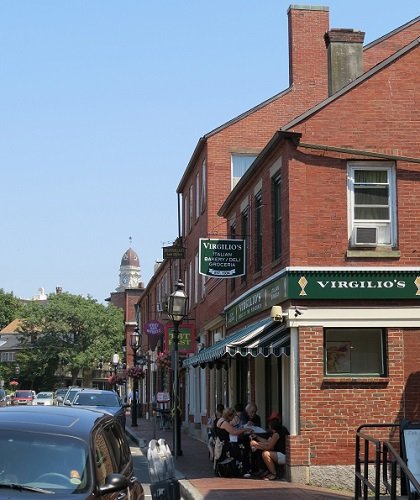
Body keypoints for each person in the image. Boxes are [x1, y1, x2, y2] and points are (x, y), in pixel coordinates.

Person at [216, 407, 253, 477]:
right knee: (242, 447)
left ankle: (244, 468)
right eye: (232, 416)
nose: (233, 418)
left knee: (241, 443)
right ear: (229, 416)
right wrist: (245, 429)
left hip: (224, 442)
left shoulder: (221, 420)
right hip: (226, 445)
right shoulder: (224, 423)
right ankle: (243, 470)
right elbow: (234, 432)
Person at [249, 415, 289, 481]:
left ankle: (274, 474)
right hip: (281, 454)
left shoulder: (276, 434)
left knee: (265, 454)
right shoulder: (279, 431)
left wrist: (256, 445)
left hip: (283, 455)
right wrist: (256, 437)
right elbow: (268, 442)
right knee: (265, 452)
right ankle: (268, 471)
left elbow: (269, 447)